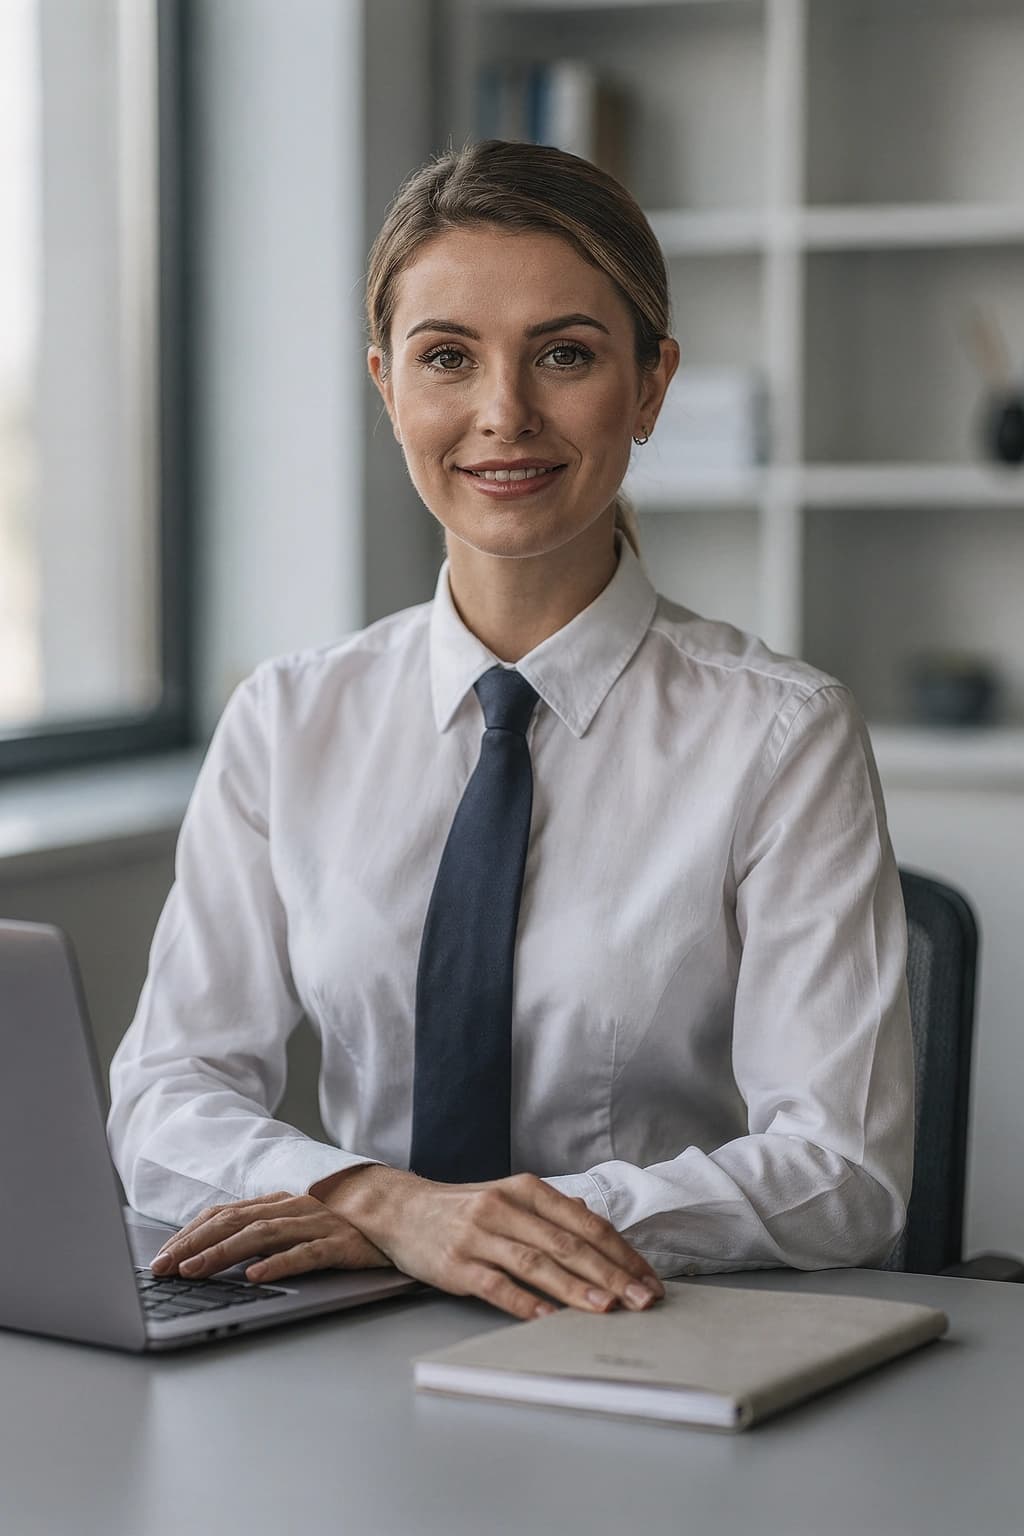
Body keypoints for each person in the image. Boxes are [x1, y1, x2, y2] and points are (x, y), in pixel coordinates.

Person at [107, 139, 914, 1325]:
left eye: (566, 355)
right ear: (387, 386)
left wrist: (487, 1231)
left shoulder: (782, 736)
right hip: (346, 1323)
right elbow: (166, 1093)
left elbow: (841, 1172)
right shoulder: (289, 718)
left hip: (647, 1329)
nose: (503, 414)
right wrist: (379, 1204)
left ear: (649, 386)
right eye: (447, 357)